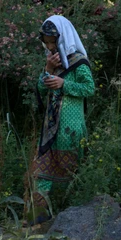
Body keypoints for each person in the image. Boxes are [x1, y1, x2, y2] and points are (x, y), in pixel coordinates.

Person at [26, 15, 95, 224]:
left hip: (70, 125)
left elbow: (90, 89)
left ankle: (73, 216)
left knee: (71, 170)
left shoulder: (78, 62)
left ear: (62, 38)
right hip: (50, 126)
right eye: (46, 42)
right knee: (42, 169)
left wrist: (64, 84)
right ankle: (38, 217)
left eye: (52, 41)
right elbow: (40, 88)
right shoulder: (52, 61)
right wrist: (47, 71)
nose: (49, 46)